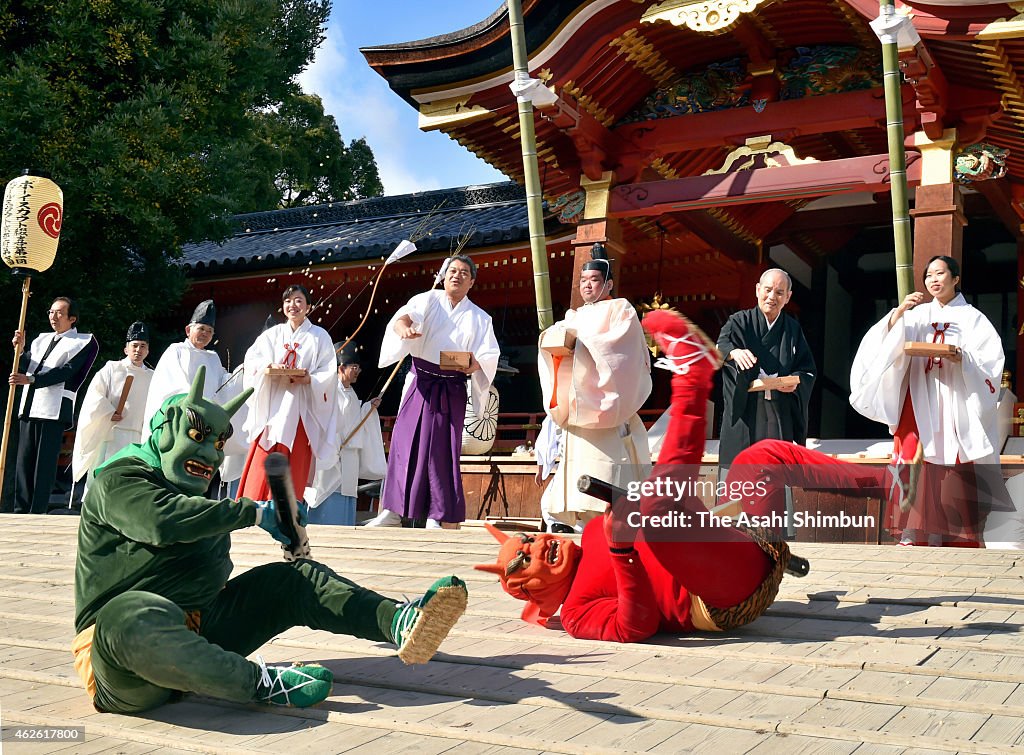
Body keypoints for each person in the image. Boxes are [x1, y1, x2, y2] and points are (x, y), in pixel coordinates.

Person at [475, 310, 922, 641]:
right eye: (524, 557)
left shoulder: (590, 530)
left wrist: (619, 532)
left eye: (529, 538)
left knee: (761, 456)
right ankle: (694, 378)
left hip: (739, 544)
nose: (538, 544)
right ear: (529, 590)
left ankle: (886, 484)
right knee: (657, 507)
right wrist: (621, 551)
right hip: (715, 596)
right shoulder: (574, 614)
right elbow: (637, 625)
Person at [72, 367, 468, 714]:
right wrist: (254, 512)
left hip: (197, 630)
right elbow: (160, 522)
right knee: (130, 615)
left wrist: (283, 531)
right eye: (197, 435)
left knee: (291, 580)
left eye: (218, 445)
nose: (210, 454)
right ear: (163, 432)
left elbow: (205, 558)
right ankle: (259, 683)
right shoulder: (119, 479)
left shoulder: (193, 496)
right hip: (120, 660)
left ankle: (396, 621)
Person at [850, 255, 1005, 547]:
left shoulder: (974, 319)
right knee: (914, 457)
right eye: (929, 275)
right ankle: (913, 531)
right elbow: (883, 348)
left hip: (955, 397)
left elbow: (990, 363)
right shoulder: (917, 315)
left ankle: (956, 534)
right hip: (919, 395)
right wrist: (898, 314)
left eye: (940, 273)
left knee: (955, 460)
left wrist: (963, 358)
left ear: (956, 278)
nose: (933, 279)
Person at [367, 255, 500, 528]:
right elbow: (403, 317)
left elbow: (488, 355)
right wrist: (403, 329)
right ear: (443, 274)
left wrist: (475, 364)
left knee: (441, 450)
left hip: (451, 387)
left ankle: (436, 515)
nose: (457, 276)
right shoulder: (427, 299)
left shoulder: (480, 317)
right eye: (452, 270)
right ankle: (392, 511)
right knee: (404, 445)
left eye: (464, 273)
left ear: (472, 281)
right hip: (421, 382)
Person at [536, 250, 652, 532]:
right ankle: (573, 519)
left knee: (609, 467)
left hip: (605, 401)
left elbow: (619, 349)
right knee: (577, 464)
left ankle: (611, 519)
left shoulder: (621, 310)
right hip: (580, 405)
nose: (587, 285)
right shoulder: (573, 316)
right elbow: (557, 343)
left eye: (595, 280)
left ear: (609, 284)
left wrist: (582, 346)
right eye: (583, 280)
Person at [238, 284, 337, 501]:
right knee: (265, 451)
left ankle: (285, 510)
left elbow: (329, 372)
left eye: (299, 300)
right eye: (288, 301)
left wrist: (309, 378)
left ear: (308, 306)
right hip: (273, 404)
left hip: (300, 406)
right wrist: (269, 367)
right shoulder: (271, 335)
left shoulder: (320, 337)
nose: (293, 305)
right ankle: (253, 505)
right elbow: (253, 360)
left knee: (296, 455)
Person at [716, 268, 816, 468]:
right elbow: (720, 347)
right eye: (768, 290)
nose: (772, 297)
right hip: (745, 411)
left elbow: (807, 369)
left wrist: (795, 383)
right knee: (739, 479)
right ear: (757, 290)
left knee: (776, 477)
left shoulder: (793, 329)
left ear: (788, 297)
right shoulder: (739, 321)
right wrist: (733, 353)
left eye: (779, 293)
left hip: (779, 411)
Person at [9, 297, 99, 514]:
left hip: (54, 406)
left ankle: (37, 510)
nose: (53, 317)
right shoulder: (40, 339)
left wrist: (31, 380)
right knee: (24, 459)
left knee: (44, 464)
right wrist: (19, 351)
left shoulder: (83, 342)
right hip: (30, 403)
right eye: (51, 312)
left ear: (72, 318)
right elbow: (28, 364)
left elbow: (66, 371)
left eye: (59, 313)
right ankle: (20, 509)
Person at [305, 341, 386, 525]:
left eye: (358, 367)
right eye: (354, 367)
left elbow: (353, 419)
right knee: (327, 496)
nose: (357, 371)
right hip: (333, 453)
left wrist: (368, 409)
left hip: (348, 455)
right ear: (341, 368)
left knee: (346, 495)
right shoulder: (328, 390)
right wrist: (333, 444)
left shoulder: (350, 392)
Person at [72, 321, 154, 495]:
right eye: (135, 346)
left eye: (143, 346)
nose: (138, 350)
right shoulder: (111, 369)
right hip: (111, 432)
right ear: (126, 349)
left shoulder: (152, 377)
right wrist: (109, 412)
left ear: (147, 350)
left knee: (130, 479)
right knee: (104, 474)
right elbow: (95, 396)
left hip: (137, 435)